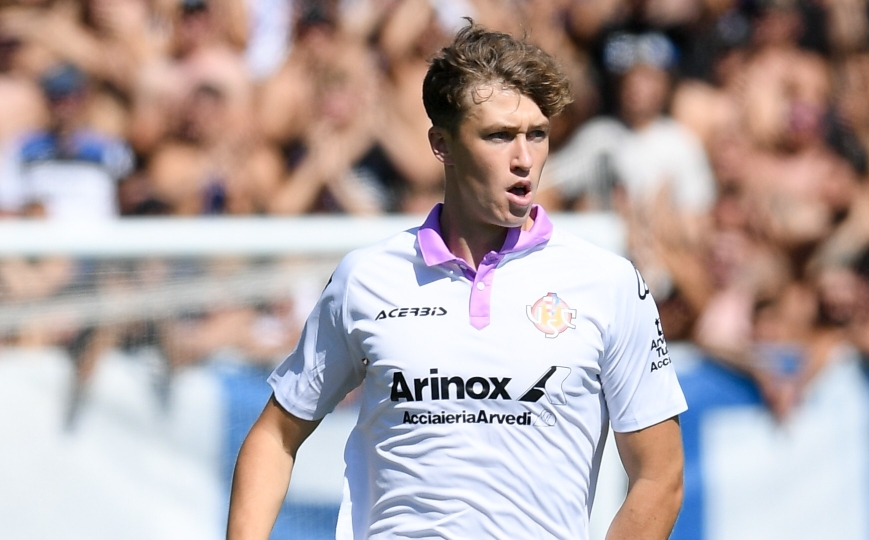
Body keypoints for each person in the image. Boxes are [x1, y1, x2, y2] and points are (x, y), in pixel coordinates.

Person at [227, 21, 687, 540]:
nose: (524, 159)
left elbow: (660, 475)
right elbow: (274, 436)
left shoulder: (607, 281)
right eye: (499, 136)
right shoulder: (367, 277)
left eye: (537, 135)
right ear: (441, 144)